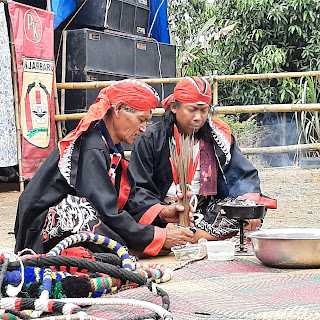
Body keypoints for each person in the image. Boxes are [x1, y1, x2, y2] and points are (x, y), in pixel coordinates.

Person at [14, 79, 194, 256]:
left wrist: (161, 214)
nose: (143, 129)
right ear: (119, 109)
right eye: (141, 120)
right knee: (79, 210)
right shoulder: (92, 146)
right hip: (38, 232)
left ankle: (124, 249)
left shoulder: (111, 147)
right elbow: (104, 210)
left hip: (79, 223)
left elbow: (124, 201)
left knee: (104, 219)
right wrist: (157, 235)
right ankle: (124, 250)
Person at [128, 76, 277, 243]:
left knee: (252, 206)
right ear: (174, 107)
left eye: (203, 110)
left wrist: (249, 203)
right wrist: (163, 212)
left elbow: (241, 175)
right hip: (166, 213)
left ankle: (187, 236)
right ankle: (187, 235)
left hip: (204, 212)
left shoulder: (218, 137)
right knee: (135, 216)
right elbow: (138, 189)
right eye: (192, 110)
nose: (198, 117)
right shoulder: (150, 139)